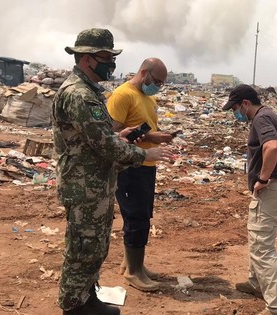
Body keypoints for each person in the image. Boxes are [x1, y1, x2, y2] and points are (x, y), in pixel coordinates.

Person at [53, 28, 173, 315]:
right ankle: (73, 305)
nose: (112, 63)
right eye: (106, 57)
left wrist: (123, 136)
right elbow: (104, 146)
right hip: (84, 186)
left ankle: (87, 297)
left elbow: (100, 138)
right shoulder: (80, 95)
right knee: (82, 249)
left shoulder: (90, 92)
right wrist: (144, 153)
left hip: (95, 183)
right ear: (86, 58)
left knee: (94, 246)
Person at [222, 84, 277, 315]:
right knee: (256, 238)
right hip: (274, 189)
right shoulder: (267, 115)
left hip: (271, 189)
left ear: (245, 103)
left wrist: (262, 179)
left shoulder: (261, 118)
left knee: (262, 247)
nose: (235, 114)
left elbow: (271, 147)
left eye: (235, 108)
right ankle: (256, 283)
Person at [106, 58, 175, 292]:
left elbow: (140, 130)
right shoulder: (122, 95)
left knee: (142, 215)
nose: (158, 87)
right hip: (129, 167)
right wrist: (148, 142)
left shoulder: (148, 97)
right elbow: (112, 134)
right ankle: (134, 273)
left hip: (146, 165)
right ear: (144, 73)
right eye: (156, 81)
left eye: (162, 84)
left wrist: (156, 136)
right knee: (136, 217)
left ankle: (133, 265)